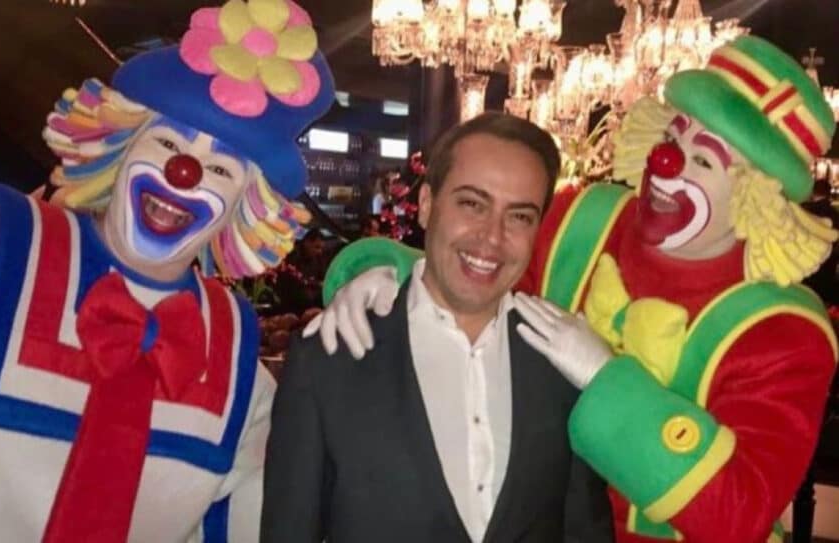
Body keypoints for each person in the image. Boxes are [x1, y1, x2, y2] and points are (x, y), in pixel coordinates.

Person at [310, 36, 839, 543]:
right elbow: (481, 281)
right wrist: (388, 274)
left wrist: (605, 377)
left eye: (702, 161)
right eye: (671, 140)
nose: (665, 164)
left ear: (754, 197)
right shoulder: (583, 219)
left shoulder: (784, 331)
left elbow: (739, 514)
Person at [0, 0, 334, 540]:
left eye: (219, 169)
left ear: (244, 209)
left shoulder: (235, 363)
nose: (183, 172)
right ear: (117, 146)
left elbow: (270, 513)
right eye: (167, 143)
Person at [262, 112, 614, 543]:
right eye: (472, 204)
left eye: (519, 216)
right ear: (427, 205)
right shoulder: (327, 360)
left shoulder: (562, 360)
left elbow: (585, 530)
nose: (492, 237)